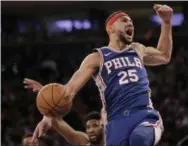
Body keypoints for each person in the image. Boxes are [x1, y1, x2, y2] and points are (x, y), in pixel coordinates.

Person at [24, 4, 173, 146]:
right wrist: (49, 115)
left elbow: (164, 56)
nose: (131, 25)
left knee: (139, 139)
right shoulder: (97, 58)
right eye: (125, 20)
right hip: (116, 122)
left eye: (132, 23)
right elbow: (68, 91)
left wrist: (166, 23)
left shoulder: (137, 49)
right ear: (110, 28)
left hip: (143, 114)